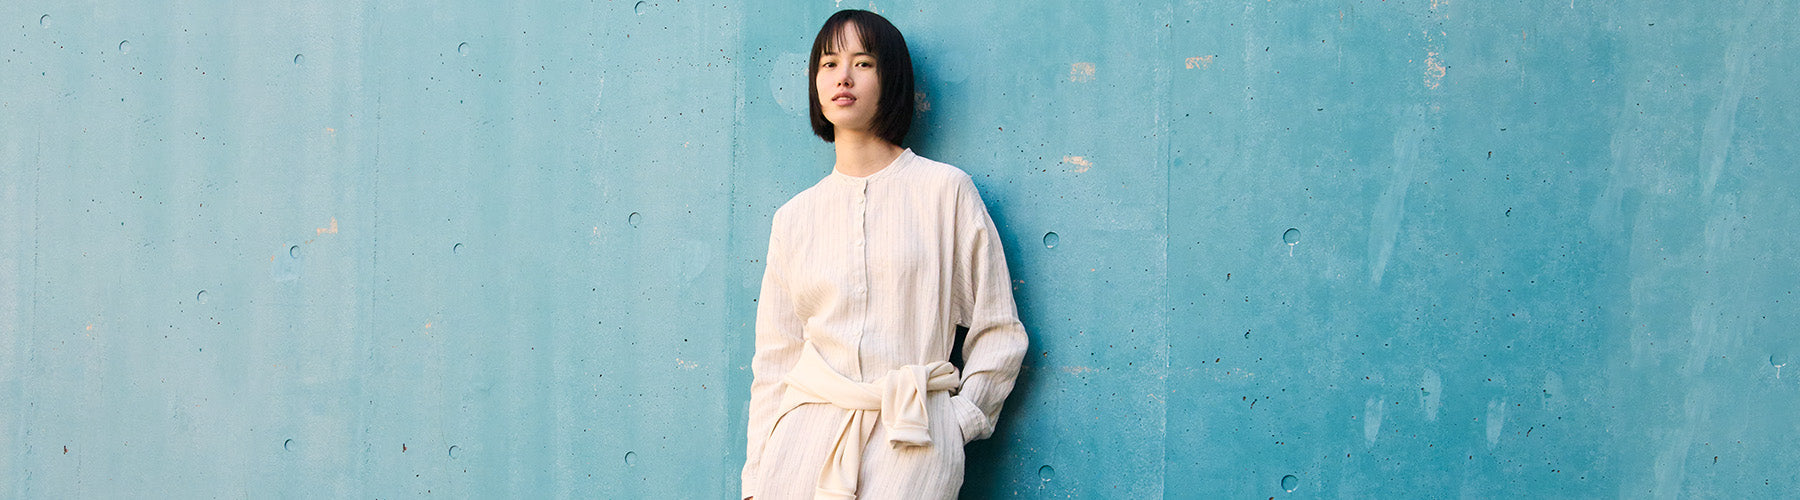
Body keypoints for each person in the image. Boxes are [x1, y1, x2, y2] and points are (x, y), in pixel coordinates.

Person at [740, 9, 1030, 500]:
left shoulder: (946, 192)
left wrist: (956, 422)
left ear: (891, 77)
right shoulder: (794, 217)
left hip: (912, 436)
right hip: (801, 444)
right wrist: (755, 479)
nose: (843, 77)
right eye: (829, 64)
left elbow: (998, 331)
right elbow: (776, 362)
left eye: (864, 62)